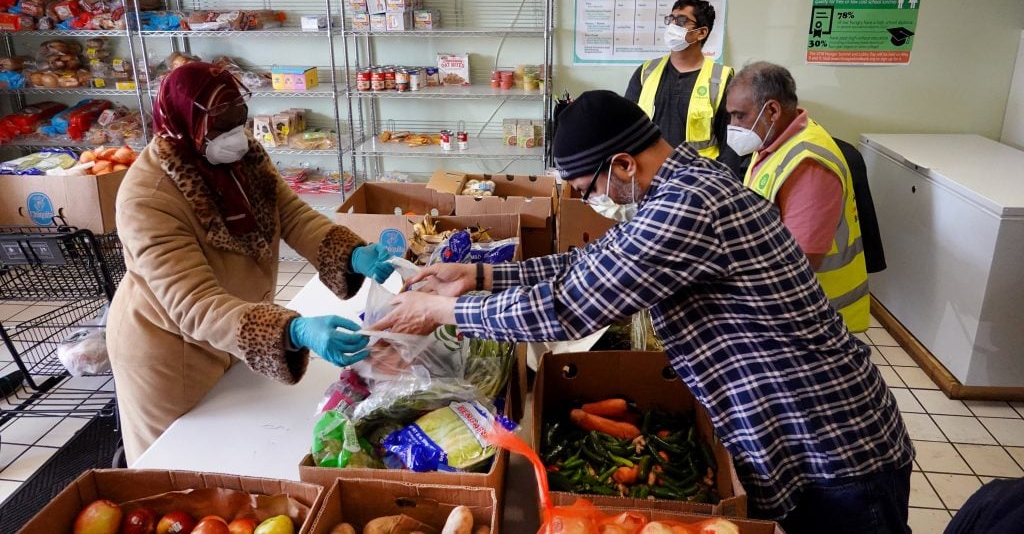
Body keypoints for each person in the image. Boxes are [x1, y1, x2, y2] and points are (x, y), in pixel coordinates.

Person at [374, 90, 915, 534]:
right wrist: (481, 276)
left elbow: (569, 308)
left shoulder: (687, 208)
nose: (593, 200)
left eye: (589, 188)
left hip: (833, 446)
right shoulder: (681, 186)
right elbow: (595, 261)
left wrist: (444, 312)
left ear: (624, 164)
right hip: (797, 428)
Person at [107, 62, 395, 463]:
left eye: (238, 119)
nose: (236, 137)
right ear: (184, 124)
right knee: (184, 466)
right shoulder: (147, 198)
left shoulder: (243, 158)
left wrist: (350, 252)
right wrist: (291, 330)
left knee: (246, 449)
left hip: (234, 327)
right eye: (220, 125)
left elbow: (292, 215)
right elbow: (194, 304)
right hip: (172, 352)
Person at [723, 61, 870, 332]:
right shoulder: (775, 140)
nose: (733, 126)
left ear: (772, 110)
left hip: (815, 313)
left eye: (739, 116)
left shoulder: (807, 163)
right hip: (788, 303)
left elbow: (800, 262)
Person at [624, 0, 743, 177]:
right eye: (670, 19)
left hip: (699, 181)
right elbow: (625, 127)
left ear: (701, 33)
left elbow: (731, 144)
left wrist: (723, 184)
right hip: (649, 178)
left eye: (681, 21)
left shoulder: (721, 79)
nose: (673, 26)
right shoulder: (647, 71)